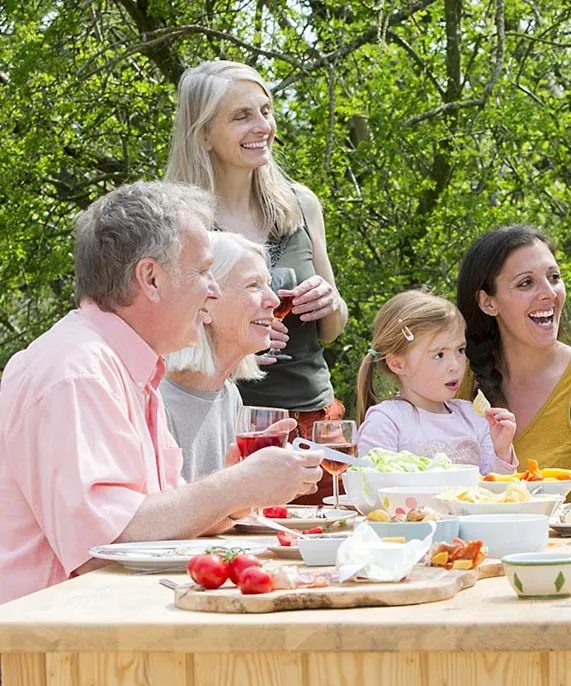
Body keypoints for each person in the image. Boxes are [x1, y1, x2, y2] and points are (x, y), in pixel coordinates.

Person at [0, 181, 324, 605]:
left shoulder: (127, 367)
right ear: (150, 278)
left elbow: (159, 520)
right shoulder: (78, 373)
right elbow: (109, 547)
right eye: (204, 271)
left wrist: (236, 494)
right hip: (51, 649)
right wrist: (235, 485)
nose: (212, 290)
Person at [165, 60, 346, 503]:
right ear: (203, 133)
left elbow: (334, 327)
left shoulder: (301, 204)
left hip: (316, 417)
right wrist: (241, 337)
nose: (262, 125)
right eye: (242, 115)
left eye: (265, 111)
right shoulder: (178, 223)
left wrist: (328, 301)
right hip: (233, 425)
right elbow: (167, 338)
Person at [456, 224, 571, 498]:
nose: (549, 293)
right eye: (526, 283)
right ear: (487, 302)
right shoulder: (454, 379)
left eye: (554, 277)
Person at [356, 290, 518, 475]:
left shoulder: (474, 418)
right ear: (398, 364)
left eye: (460, 350)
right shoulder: (387, 421)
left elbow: (497, 493)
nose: (455, 365)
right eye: (439, 355)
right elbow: (371, 488)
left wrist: (502, 451)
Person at [162, 231, 278, 482]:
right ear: (205, 304)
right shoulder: (157, 401)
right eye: (254, 285)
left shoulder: (228, 396)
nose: (274, 300)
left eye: (268, 284)